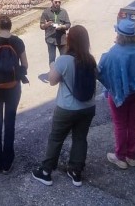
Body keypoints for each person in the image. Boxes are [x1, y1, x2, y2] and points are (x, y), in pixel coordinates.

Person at [32, 25, 97, 188]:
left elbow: (52, 81)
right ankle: (76, 172)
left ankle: (46, 172)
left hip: (67, 108)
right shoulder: (90, 60)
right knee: (80, 138)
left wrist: (52, 67)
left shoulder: (63, 60)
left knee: (56, 138)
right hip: (88, 107)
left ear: (70, 40)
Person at [98, 19, 135, 169]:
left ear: (119, 34)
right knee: (132, 122)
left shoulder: (114, 51)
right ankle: (131, 155)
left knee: (120, 124)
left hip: (119, 93)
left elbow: (101, 70)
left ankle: (120, 157)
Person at [0, 15, 29, 174]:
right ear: (10, 26)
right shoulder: (18, 42)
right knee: (10, 123)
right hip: (13, 88)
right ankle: (7, 163)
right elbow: (25, 65)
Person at [39, 0, 71, 65]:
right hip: (50, 39)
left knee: (63, 59)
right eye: (56, 2)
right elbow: (41, 26)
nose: (58, 3)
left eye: (59, 2)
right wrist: (46, 25)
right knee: (52, 59)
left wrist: (62, 26)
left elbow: (68, 24)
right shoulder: (46, 12)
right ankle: (53, 71)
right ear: (52, 2)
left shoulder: (64, 12)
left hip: (62, 40)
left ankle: (62, 71)